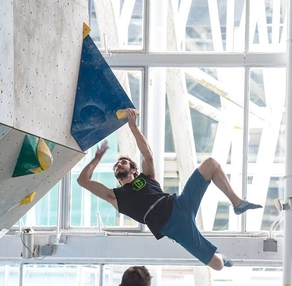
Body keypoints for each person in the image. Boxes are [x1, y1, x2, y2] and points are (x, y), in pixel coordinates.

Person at [77, 108, 262, 271]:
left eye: (123, 162)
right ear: (117, 177)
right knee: (217, 265)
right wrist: (97, 157)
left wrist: (133, 127)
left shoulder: (146, 177)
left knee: (211, 164)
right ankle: (223, 258)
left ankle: (237, 203)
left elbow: (147, 154)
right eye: (116, 165)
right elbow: (83, 180)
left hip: (179, 203)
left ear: (133, 169)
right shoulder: (116, 197)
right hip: (174, 227)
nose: (119, 164)